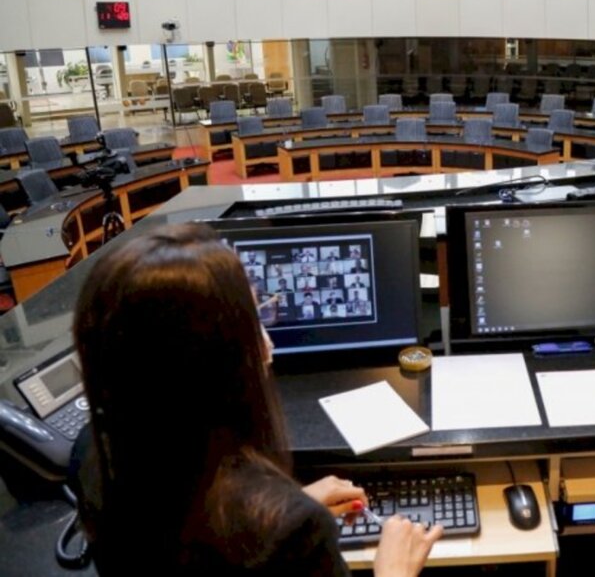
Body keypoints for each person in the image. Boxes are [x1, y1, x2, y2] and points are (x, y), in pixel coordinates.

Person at [72, 224, 442, 575]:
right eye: (255, 320)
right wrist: (394, 570)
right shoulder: (291, 532)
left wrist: (284, 505)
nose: (268, 341)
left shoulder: (93, 456)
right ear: (213, 361)